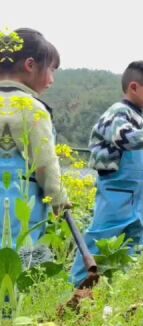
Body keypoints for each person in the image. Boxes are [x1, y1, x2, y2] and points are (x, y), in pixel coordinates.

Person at [71, 61, 143, 287]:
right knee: (105, 234)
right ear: (134, 87)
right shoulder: (117, 113)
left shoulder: (141, 116)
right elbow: (123, 137)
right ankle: (80, 285)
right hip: (119, 187)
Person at [0, 28, 69, 248]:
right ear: (30, 65)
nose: (52, 79)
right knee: (20, 261)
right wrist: (58, 199)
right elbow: (45, 164)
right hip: (21, 200)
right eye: (51, 69)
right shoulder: (33, 108)